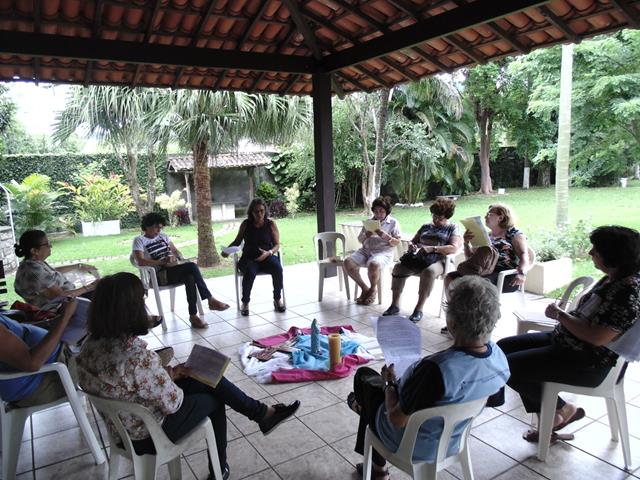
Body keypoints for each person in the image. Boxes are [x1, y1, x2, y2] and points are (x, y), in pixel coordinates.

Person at [76, 272, 300, 480]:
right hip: (147, 434)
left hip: (122, 429)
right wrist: (169, 377)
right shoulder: (136, 358)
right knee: (213, 398)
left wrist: (171, 374)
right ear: (131, 310)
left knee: (197, 378)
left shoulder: (89, 347)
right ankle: (220, 468)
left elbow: (130, 384)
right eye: (142, 301)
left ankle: (262, 414)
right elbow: (173, 403)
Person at [347, 276, 510, 479]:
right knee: (379, 395)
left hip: (411, 444)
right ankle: (363, 410)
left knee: (365, 378)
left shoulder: (436, 370)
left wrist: (389, 383)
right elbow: (491, 400)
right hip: (453, 440)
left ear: (452, 322)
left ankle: (366, 423)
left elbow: (397, 419)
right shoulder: (499, 359)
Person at [495, 226, 640, 443]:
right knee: (501, 348)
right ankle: (553, 415)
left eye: (596, 250)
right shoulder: (613, 278)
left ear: (613, 255)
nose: (590, 253)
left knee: (507, 367)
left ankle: (562, 410)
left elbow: (597, 337)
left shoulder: (628, 291)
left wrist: (560, 315)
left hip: (590, 362)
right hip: (568, 343)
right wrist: (564, 317)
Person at [441, 203, 531, 334]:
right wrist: (466, 243)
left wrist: (522, 273)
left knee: (471, 286)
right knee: (450, 278)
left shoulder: (514, 234)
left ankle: (473, 325)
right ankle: (456, 318)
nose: (485, 217)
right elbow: (471, 258)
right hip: (482, 271)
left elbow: (524, 255)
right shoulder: (486, 236)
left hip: (505, 276)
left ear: (501, 217)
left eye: (489, 214)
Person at [132, 212, 229, 329]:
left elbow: (176, 251)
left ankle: (193, 316)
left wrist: (176, 257)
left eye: (160, 227)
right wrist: (161, 262)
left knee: (190, 277)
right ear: (147, 226)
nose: (158, 230)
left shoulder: (163, 236)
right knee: (192, 267)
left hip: (173, 270)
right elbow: (141, 261)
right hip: (159, 276)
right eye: (156, 227)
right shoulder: (139, 240)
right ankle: (210, 299)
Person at [382, 197, 461, 323]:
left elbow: (454, 248)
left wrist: (433, 249)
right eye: (434, 216)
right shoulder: (426, 226)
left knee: (429, 272)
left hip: (438, 260)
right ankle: (395, 305)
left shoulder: (452, 228)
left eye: (440, 218)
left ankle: (419, 309)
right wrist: (412, 246)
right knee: (398, 268)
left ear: (447, 217)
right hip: (419, 258)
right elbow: (413, 241)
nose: (436, 220)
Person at [0, 298, 79, 407]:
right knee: (99, 358)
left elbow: (20, 334)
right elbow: (32, 363)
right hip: (46, 379)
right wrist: (65, 318)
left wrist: (55, 321)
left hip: (55, 363)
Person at [222, 198, 285, 316]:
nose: (260, 214)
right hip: (249, 258)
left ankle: (277, 299)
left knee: (277, 268)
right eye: (256, 211)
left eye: (262, 211)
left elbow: (277, 245)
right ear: (251, 212)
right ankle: (245, 302)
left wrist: (269, 253)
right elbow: (237, 241)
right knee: (250, 272)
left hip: (267, 256)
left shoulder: (270, 224)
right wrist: (227, 251)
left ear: (265, 211)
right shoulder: (246, 224)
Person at [14, 230, 99, 307]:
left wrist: (79, 266)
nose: (51, 246)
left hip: (68, 301)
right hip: (60, 309)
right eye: (47, 244)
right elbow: (61, 297)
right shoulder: (33, 271)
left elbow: (53, 272)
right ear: (34, 251)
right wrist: (91, 286)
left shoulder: (33, 264)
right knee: (103, 291)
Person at [344, 197, 401, 306]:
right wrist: (366, 235)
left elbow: (397, 242)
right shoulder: (369, 222)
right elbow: (360, 240)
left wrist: (385, 236)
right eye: (376, 211)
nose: (378, 214)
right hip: (365, 251)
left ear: (387, 211)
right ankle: (366, 289)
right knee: (347, 262)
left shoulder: (393, 223)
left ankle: (373, 289)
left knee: (373, 264)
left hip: (383, 252)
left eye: (381, 211)